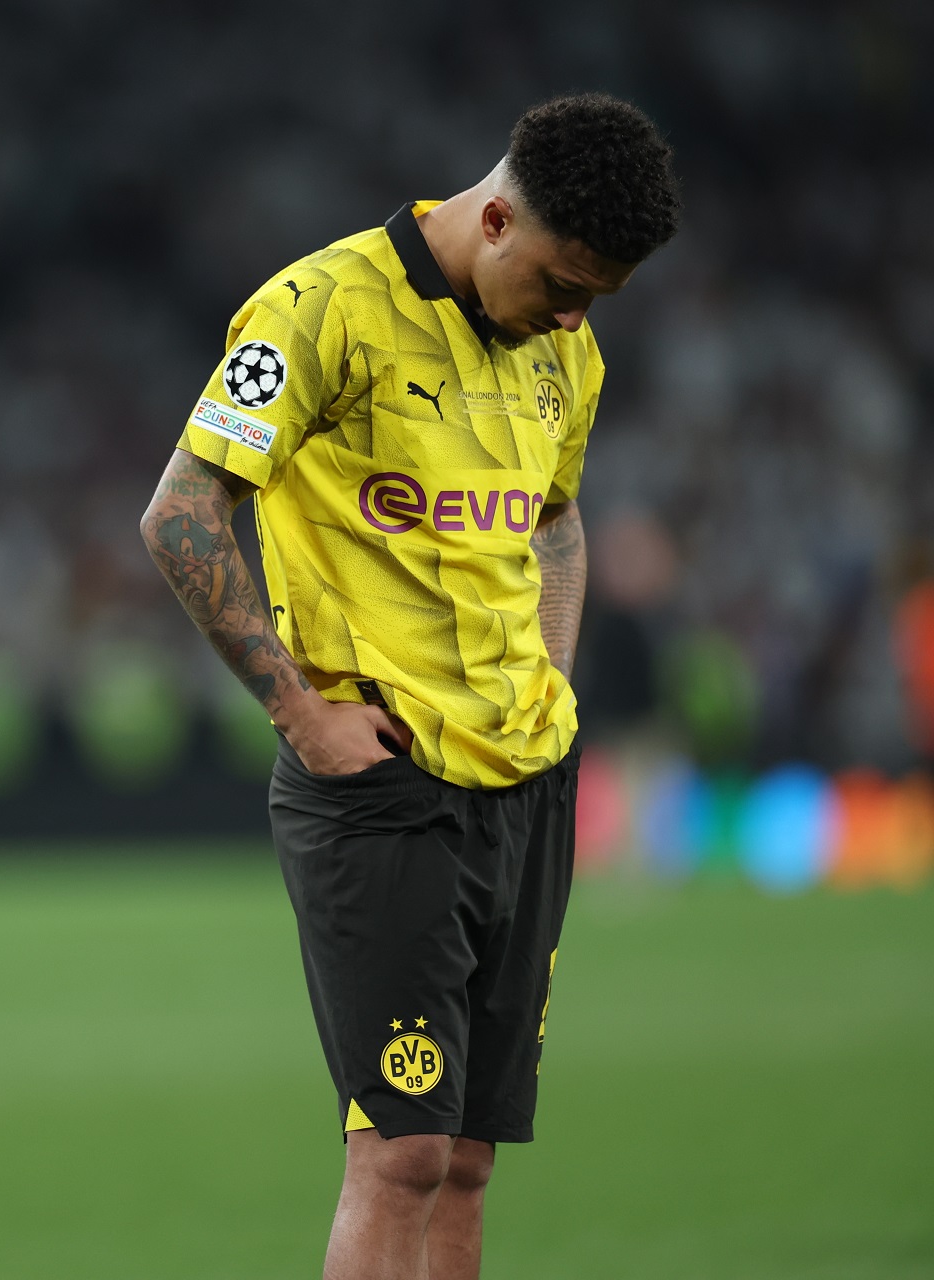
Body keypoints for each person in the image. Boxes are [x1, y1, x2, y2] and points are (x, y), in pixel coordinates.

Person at [140, 94, 680, 1280]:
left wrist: (548, 678)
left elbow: (556, 522)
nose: (574, 315)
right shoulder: (320, 308)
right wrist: (298, 710)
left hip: (528, 781)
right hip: (385, 783)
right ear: (495, 219)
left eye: (597, 297)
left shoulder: (565, 349)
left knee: (469, 1160)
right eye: (563, 282)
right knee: (403, 1154)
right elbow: (180, 514)